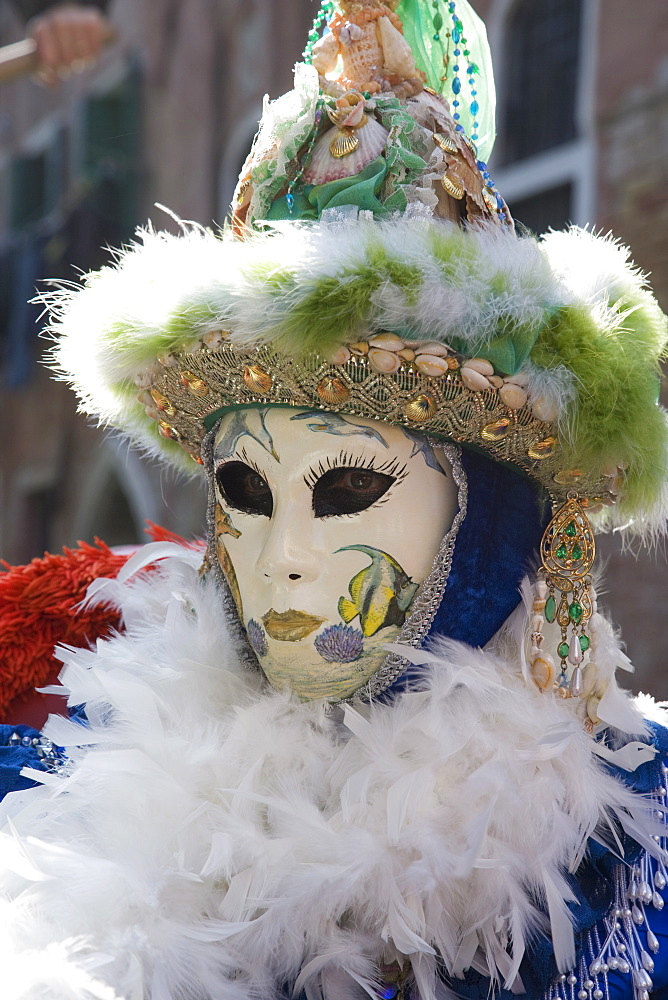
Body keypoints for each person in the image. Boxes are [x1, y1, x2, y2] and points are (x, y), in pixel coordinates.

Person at [1, 2, 668, 998]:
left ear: (484, 514)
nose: (285, 559)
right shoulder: (68, 781)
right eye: (242, 491)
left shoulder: (628, 845)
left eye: (349, 486)